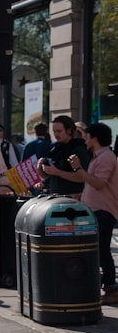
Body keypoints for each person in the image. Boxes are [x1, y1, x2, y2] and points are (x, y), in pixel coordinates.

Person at [62, 123, 118, 304]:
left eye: (87, 136)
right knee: (96, 250)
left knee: (102, 251)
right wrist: (81, 195)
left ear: (95, 138)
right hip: (93, 210)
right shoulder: (97, 157)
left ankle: (111, 288)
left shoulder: (106, 157)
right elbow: (95, 185)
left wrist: (78, 169)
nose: (85, 139)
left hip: (104, 211)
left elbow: (99, 184)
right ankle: (104, 286)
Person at [38, 115, 90, 197]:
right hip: (56, 196)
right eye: (54, 131)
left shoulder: (78, 148)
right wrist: (40, 168)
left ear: (69, 131)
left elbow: (82, 177)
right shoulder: (56, 148)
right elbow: (49, 175)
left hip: (72, 198)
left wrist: (57, 172)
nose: (56, 135)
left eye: (59, 131)